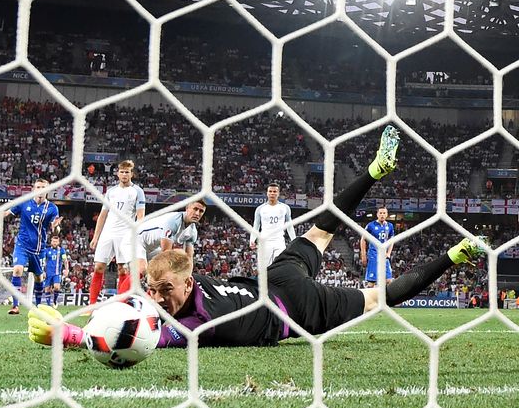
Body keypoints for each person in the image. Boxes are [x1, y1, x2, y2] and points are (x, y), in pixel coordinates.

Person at [28, 126, 484, 348]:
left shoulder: (191, 326)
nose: (157, 298)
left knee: (377, 296)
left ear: (189, 284)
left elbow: (135, 338)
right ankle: (381, 180)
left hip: (292, 307)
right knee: (325, 233)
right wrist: (82, 317)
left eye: (163, 290)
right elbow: (130, 314)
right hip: (276, 278)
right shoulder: (175, 295)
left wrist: (68, 335)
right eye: (154, 290)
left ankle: (449, 251)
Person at [0, 178, 62, 315]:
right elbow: (5, 214)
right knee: (17, 270)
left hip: (38, 248)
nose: (40, 189)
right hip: (22, 245)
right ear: (33, 189)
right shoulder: (24, 202)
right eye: (38, 187)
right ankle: (15, 306)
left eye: (43, 187)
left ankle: (37, 306)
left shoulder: (52, 208)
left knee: (38, 277)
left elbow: (56, 230)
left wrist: (55, 228)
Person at [116, 199, 206, 294]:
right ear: (187, 208)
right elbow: (165, 253)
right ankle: (120, 301)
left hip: (151, 247)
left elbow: (189, 258)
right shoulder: (174, 221)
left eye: (201, 211)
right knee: (142, 268)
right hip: (134, 239)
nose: (197, 213)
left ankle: (150, 300)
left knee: (157, 274)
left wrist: (187, 277)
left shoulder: (192, 232)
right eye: (195, 209)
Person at [89, 160, 146, 304]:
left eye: (127, 172)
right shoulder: (111, 192)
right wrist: (96, 237)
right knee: (99, 266)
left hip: (125, 234)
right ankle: (91, 304)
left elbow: (140, 216)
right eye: (122, 172)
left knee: (122, 269)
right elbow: (103, 215)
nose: (124, 174)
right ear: (118, 173)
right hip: (108, 233)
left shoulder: (137, 192)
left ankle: (121, 304)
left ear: (131, 174)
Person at [249, 182, 296, 269]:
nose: (272, 193)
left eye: (274, 192)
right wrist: (252, 239)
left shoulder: (285, 208)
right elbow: (256, 226)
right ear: (267, 193)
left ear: (278, 194)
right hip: (265, 242)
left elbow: (289, 226)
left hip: (279, 241)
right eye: (270, 191)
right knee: (265, 268)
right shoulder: (260, 209)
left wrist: (294, 240)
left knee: (280, 266)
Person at [360, 206, 395, 287]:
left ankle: (386, 299)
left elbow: (391, 240)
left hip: (384, 256)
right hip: (373, 255)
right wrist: (363, 255)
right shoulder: (371, 225)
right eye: (380, 213)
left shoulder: (390, 226)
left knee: (389, 280)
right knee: (371, 282)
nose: (382, 215)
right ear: (377, 214)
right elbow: (363, 239)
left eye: (384, 213)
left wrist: (389, 253)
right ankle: (369, 298)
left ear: (387, 215)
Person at [41, 234, 69, 308]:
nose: (54, 243)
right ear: (51, 242)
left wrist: (66, 269)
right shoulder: (47, 251)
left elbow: (65, 261)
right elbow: (43, 261)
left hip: (57, 273)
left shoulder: (61, 251)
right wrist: (43, 271)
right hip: (48, 273)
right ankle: (48, 305)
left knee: (57, 287)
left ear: (58, 242)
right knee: (47, 289)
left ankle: (54, 301)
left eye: (56, 242)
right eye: (53, 241)